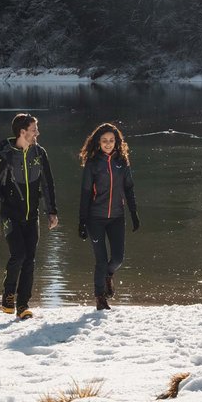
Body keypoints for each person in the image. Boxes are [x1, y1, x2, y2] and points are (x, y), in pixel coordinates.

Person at [0, 113, 59, 320]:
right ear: (22, 132)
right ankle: (9, 292)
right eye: (34, 129)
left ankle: (23, 305)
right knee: (18, 255)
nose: (37, 133)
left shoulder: (40, 153)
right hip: (9, 216)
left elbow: (48, 184)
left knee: (30, 260)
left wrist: (52, 211)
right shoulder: (4, 157)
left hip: (32, 216)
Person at [78, 122, 140, 310]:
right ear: (98, 142)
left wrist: (134, 213)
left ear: (116, 142)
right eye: (104, 140)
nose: (108, 144)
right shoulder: (92, 163)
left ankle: (108, 275)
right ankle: (100, 298)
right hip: (95, 218)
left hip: (117, 217)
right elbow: (85, 193)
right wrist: (82, 221)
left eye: (111, 140)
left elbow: (129, 188)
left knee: (118, 259)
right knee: (101, 261)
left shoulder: (122, 162)